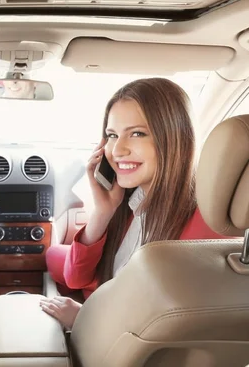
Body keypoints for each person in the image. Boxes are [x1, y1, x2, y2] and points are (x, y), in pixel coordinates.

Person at [40, 78, 223, 329]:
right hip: (107, 304)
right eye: (112, 135)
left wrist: (85, 318)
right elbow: (75, 278)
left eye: (137, 134)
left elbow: (161, 326)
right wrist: (103, 211)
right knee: (51, 253)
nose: (117, 150)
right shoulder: (131, 202)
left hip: (114, 336)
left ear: (175, 137)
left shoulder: (207, 226)